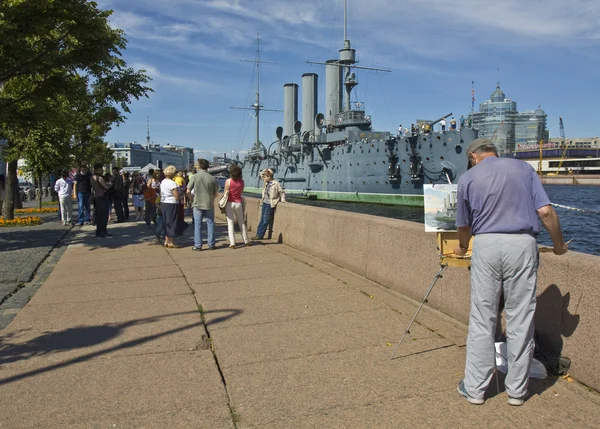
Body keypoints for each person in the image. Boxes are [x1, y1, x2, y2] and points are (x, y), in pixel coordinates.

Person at [453, 138, 568, 407]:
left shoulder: (468, 177)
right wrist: (559, 245)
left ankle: (476, 390)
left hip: (486, 245)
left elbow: (463, 226)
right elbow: (546, 212)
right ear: (495, 152)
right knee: (521, 317)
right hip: (522, 244)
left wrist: (460, 247)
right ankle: (516, 392)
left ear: (473, 155)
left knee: (483, 317)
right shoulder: (524, 169)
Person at [187, 158, 218, 251]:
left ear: (199, 166)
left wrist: (191, 200)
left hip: (197, 203)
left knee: (198, 224)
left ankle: (198, 245)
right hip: (209, 203)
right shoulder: (212, 178)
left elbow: (188, 191)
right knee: (210, 224)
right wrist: (211, 198)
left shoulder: (195, 177)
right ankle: (211, 244)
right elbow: (216, 192)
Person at [251, 168, 285, 240]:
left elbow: (281, 192)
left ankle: (260, 235)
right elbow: (261, 174)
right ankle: (258, 234)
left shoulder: (276, 183)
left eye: (266, 177)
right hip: (265, 202)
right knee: (262, 218)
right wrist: (267, 170)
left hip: (270, 204)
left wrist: (283, 200)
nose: (264, 178)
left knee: (265, 219)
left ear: (269, 177)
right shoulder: (266, 182)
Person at [223, 165, 249, 248]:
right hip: (238, 203)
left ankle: (232, 243)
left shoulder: (228, 181)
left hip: (229, 203)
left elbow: (225, 193)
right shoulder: (242, 182)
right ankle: (246, 241)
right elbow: (240, 192)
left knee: (230, 223)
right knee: (241, 222)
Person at [160, 165, 185, 248]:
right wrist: (180, 194)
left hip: (164, 202)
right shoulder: (172, 183)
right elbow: (176, 196)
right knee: (172, 221)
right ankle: (171, 242)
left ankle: (166, 240)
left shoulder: (163, 181)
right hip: (172, 203)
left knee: (166, 221)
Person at [91, 163, 113, 238]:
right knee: (104, 215)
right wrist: (110, 183)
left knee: (99, 215)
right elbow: (106, 187)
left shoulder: (92, 177)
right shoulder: (99, 178)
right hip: (102, 197)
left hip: (96, 197)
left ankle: (99, 231)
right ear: (97, 169)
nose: (102, 170)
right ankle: (103, 232)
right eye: (101, 169)